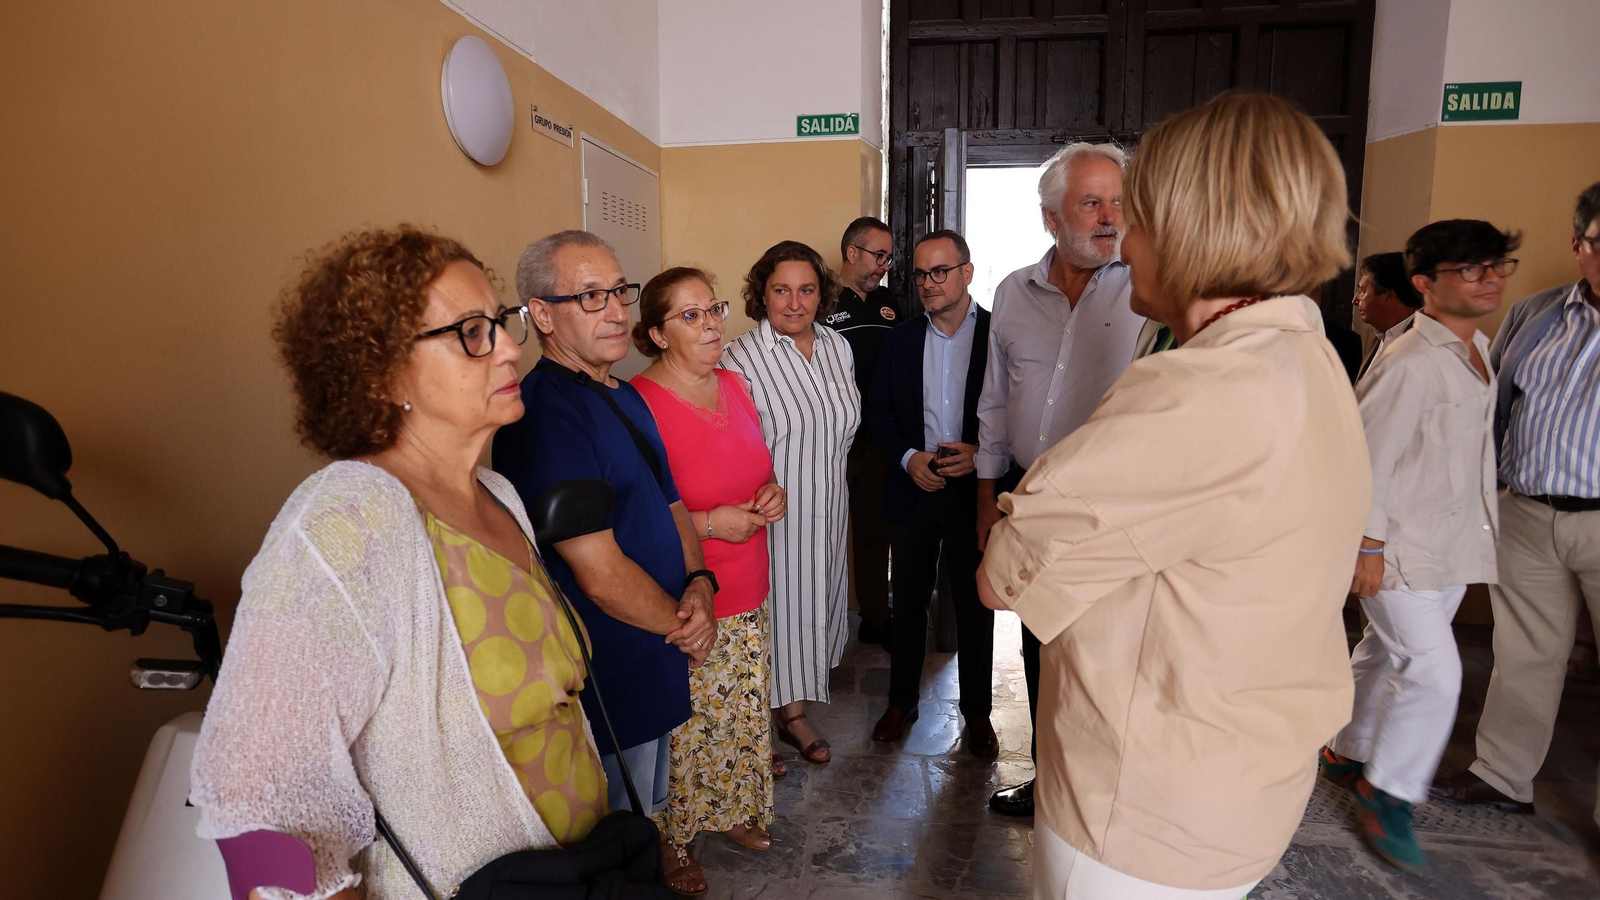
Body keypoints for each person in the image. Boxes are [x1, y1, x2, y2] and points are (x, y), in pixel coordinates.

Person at [978, 91, 1370, 898]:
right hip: (1231, 775)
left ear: (1190, 228)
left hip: (1143, 812)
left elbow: (1004, 570)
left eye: (1137, 216)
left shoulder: (1197, 390)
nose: (1123, 235)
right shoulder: (1304, 351)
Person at [191, 227, 603, 899]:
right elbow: (255, 796)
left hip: (576, 873)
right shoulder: (346, 522)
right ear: (382, 373)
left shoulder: (498, 496)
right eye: (471, 331)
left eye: (501, 322)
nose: (506, 349)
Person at [492, 230, 717, 895]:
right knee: (606, 831)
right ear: (541, 314)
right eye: (590, 296)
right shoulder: (544, 414)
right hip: (607, 664)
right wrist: (683, 622)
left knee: (643, 808)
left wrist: (701, 584)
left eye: (619, 291)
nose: (617, 310)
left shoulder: (622, 395)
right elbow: (596, 568)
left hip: (657, 645)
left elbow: (673, 505)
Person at [1321, 219, 1510, 874]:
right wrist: (1366, 546)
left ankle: (1347, 751)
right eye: (1472, 269)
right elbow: (1363, 461)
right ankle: (1390, 791)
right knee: (1434, 671)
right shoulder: (1411, 362)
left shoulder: (1477, 348)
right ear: (1426, 284)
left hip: (1449, 541)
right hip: (1396, 547)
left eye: (1496, 265)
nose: (1490, 279)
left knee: (1385, 653)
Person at [975, 141, 1144, 818]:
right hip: (1027, 492)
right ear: (1051, 217)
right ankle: (1051, 784)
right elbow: (993, 397)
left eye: (1118, 202)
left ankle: (1108, 794)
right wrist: (988, 495)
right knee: (1041, 647)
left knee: (1105, 654)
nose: (1109, 217)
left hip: (1111, 503)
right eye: (1091, 202)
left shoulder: (1151, 287)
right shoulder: (1014, 291)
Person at [1432, 181, 1600, 827]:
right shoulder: (1537, 314)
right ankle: (1503, 775)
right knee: (1524, 652)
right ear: (1577, 245)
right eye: (1599, 242)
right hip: (1528, 512)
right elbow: (1492, 408)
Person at [631, 267, 784, 870]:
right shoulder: (639, 405)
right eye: (690, 316)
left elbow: (757, 469)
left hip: (750, 580)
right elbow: (634, 518)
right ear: (659, 334)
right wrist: (712, 524)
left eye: (713, 309)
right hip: (688, 592)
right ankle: (673, 839)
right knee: (688, 727)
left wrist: (773, 492)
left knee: (740, 710)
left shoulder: (735, 383)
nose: (712, 323)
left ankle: (732, 810)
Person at [721, 240, 861, 767]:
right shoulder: (739, 359)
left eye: (807, 290)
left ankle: (794, 713)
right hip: (771, 519)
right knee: (772, 615)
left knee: (813, 610)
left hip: (827, 509)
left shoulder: (836, 347)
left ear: (822, 294)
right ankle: (757, 729)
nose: (795, 302)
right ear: (762, 293)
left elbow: (840, 430)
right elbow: (727, 445)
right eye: (782, 290)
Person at [865, 229, 996, 757]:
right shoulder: (901, 338)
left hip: (972, 493)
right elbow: (876, 411)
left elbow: (1018, 409)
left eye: (940, 271)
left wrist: (982, 452)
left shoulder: (997, 334)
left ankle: (978, 715)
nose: (928, 283)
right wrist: (908, 458)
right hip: (915, 485)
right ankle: (902, 702)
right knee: (910, 601)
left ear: (967, 272)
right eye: (919, 273)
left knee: (974, 604)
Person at [825, 216, 900, 648]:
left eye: (888, 258)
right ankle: (820, 623)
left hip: (876, 441)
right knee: (824, 529)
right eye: (878, 255)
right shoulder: (820, 302)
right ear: (852, 252)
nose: (883, 266)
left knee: (874, 531)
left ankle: (875, 617)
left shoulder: (892, 303)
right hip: (830, 440)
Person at [1354, 250, 1423, 381]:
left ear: (1388, 295)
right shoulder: (1380, 338)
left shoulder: (1423, 342)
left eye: (1362, 291)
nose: (1355, 300)